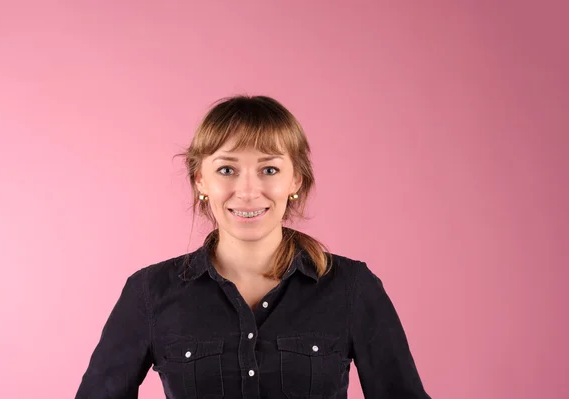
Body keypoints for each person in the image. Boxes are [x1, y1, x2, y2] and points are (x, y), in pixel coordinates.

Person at [75, 95, 431, 398]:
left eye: (269, 170)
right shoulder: (149, 292)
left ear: (296, 179)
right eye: (227, 169)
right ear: (201, 180)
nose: (247, 191)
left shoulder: (353, 287)